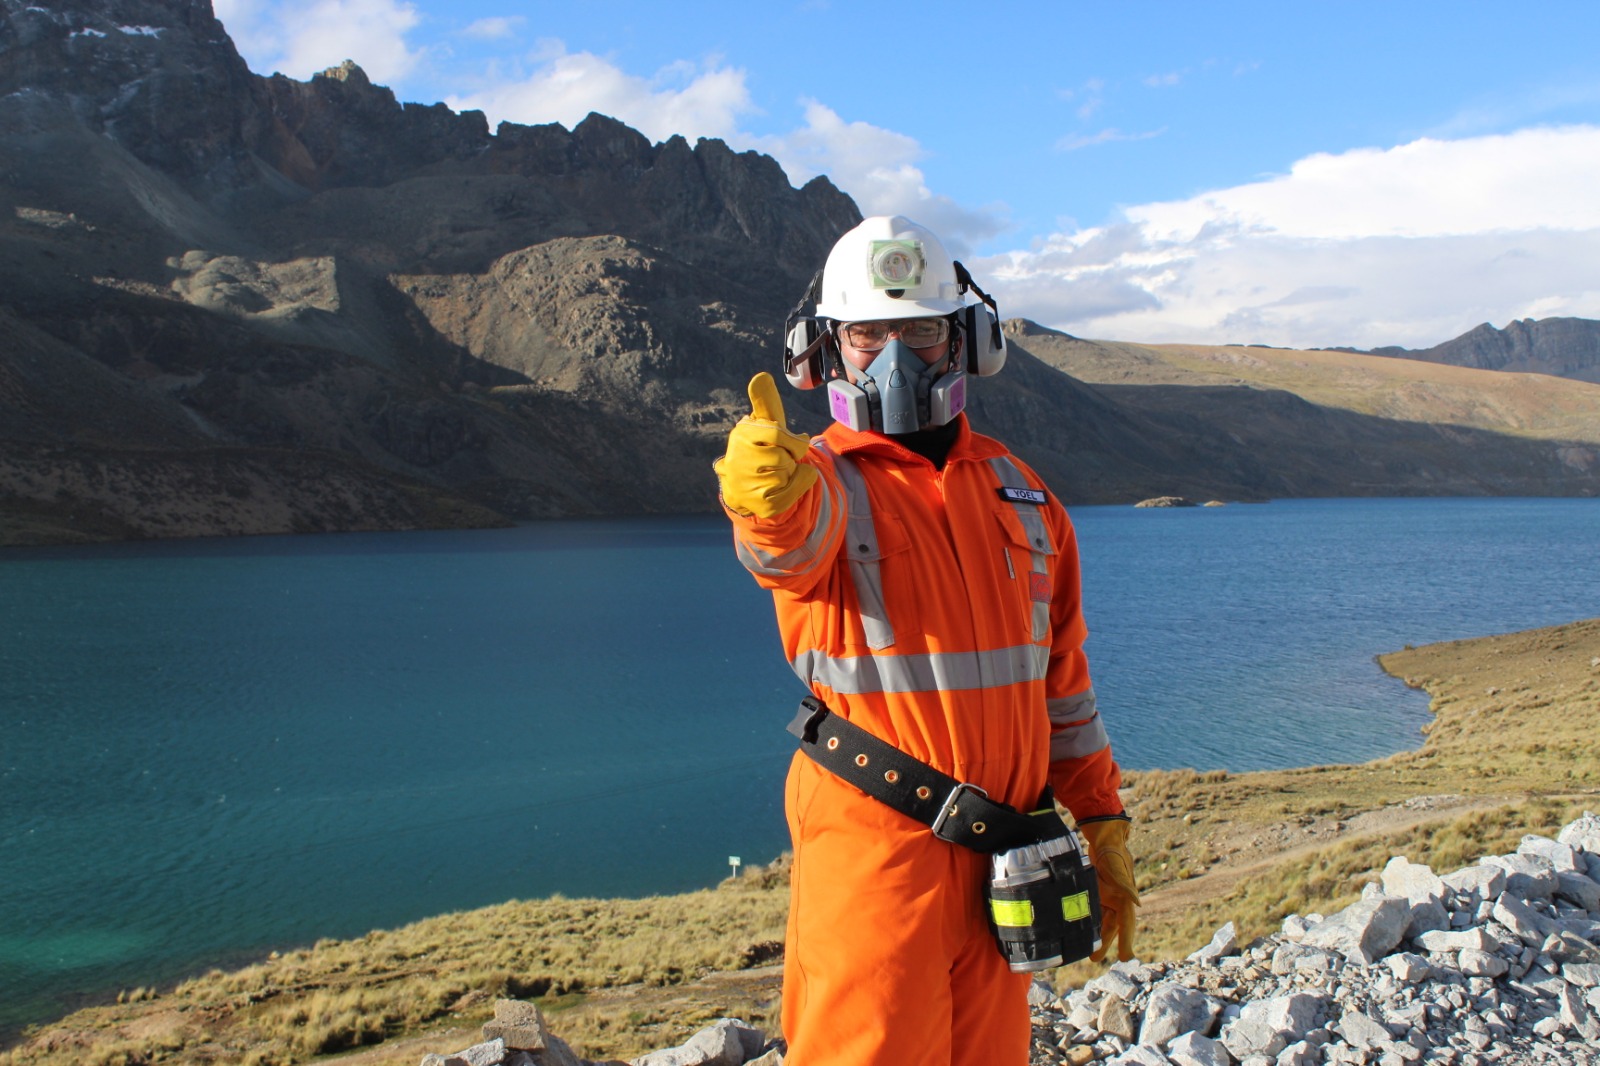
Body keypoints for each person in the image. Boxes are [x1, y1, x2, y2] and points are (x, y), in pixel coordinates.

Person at [714, 215, 1137, 1066]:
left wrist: (1102, 818)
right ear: (824, 353)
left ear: (967, 342)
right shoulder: (819, 480)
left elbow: (1064, 687)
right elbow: (783, 550)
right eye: (867, 334)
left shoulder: (1025, 497)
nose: (895, 357)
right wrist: (758, 497)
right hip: (876, 857)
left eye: (920, 331)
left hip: (1007, 860)